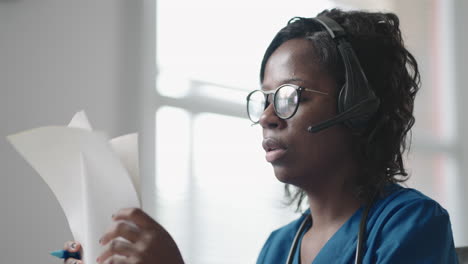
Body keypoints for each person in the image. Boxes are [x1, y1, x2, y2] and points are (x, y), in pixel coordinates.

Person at [62, 8, 458, 264]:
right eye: (264, 99)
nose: (267, 117)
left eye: (289, 97)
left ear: (357, 104)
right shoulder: (277, 249)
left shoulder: (412, 225)